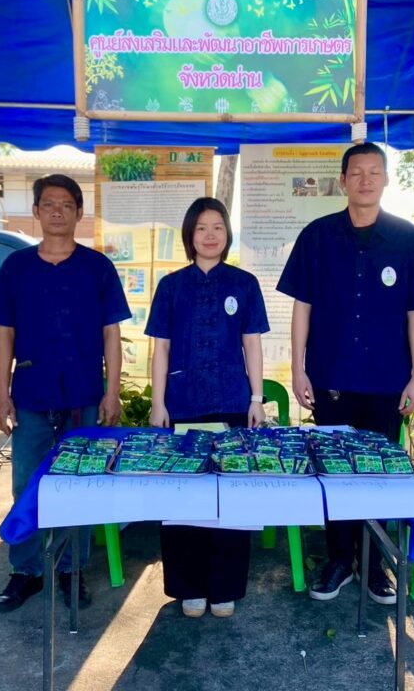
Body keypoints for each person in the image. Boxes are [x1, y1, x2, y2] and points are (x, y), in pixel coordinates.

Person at [277, 142, 414, 603]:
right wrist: (298, 370)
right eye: (357, 172)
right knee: (334, 471)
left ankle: (374, 565)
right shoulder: (317, 236)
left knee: (379, 473)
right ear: (344, 180)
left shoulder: (408, 240)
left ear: (386, 179)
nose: (365, 180)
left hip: (387, 380)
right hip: (330, 375)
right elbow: (302, 307)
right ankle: (338, 560)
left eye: (374, 171)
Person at [0, 174, 131, 612]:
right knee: (26, 484)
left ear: (78, 213)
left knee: (79, 484)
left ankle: (72, 569)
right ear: (36, 211)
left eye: (66, 205)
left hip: (83, 394)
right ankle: (25, 571)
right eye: (49, 204)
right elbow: (5, 334)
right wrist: (0, 394)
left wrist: (112, 392)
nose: (57, 212)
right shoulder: (17, 267)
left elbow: (111, 334)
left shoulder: (97, 268)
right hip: (31, 394)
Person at [146, 197, 269, 618]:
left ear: (227, 233)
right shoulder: (171, 286)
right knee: (184, 495)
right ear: (190, 235)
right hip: (182, 404)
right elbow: (161, 350)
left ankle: (225, 587)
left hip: (232, 401)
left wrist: (256, 399)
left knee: (230, 494)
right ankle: (189, 587)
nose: (210, 235)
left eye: (218, 227)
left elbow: (252, 344)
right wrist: (158, 402)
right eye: (201, 228)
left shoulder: (244, 284)